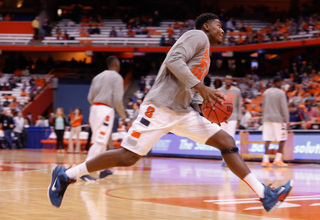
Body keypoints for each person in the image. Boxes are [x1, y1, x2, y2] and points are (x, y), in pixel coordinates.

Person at [48, 13, 293, 212]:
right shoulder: (196, 35)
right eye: (219, 26)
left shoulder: (205, 56)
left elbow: (195, 90)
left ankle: (265, 195)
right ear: (206, 26)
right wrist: (201, 87)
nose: (223, 30)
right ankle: (66, 175)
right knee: (128, 157)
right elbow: (174, 60)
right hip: (160, 108)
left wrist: (205, 109)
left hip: (182, 112)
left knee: (226, 141)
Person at [78, 56, 127, 182]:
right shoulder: (117, 77)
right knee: (100, 141)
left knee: (99, 140)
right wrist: (123, 115)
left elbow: (90, 97)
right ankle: (83, 171)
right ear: (116, 64)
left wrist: (96, 106)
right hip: (105, 110)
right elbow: (117, 100)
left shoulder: (97, 77)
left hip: (94, 108)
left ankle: (102, 169)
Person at [262, 77, 290, 167]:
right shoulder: (281, 93)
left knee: (267, 139)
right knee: (283, 139)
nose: (281, 85)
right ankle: (277, 159)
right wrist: (287, 120)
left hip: (266, 119)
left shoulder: (265, 92)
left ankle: (265, 160)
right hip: (277, 119)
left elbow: (263, 106)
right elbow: (284, 108)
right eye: (280, 83)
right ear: (276, 83)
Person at [218, 75, 241, 167]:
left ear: (232, 81)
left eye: (230, 79)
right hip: (221, 118)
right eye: (227, 79)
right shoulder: (219, 90)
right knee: (222, 140)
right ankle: (223, 159)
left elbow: (239, 105)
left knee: (230, 139)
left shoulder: (237, 91)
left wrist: (239, 119)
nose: (228, 81)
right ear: (224, 80)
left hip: (233, 118)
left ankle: (229, 160)